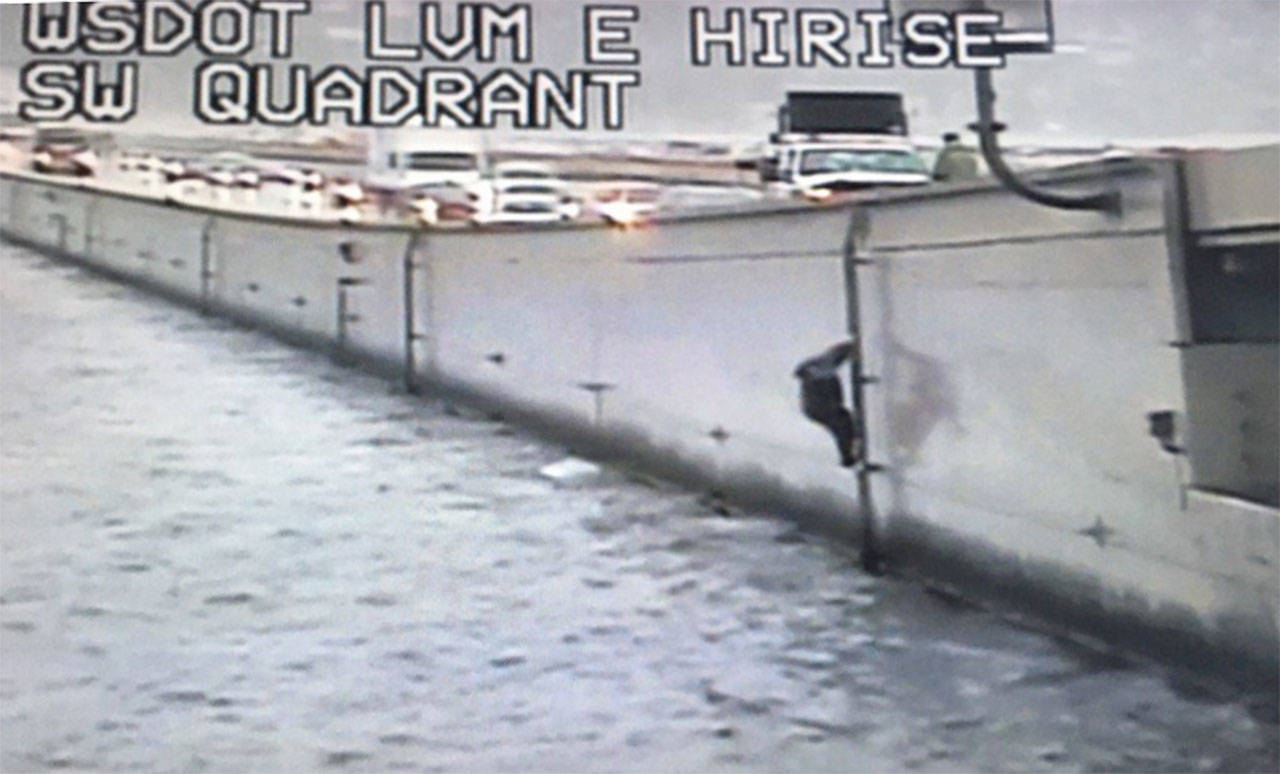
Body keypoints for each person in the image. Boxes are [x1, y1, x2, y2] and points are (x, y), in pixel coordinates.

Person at [793, 341, 860, 468]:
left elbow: (842, 350)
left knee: (842, 421)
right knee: (841, 422)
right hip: (817, 408)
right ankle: (848, 454)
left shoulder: (825, 362)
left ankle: (849, 451)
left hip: (819, 405)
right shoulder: (822, 369)